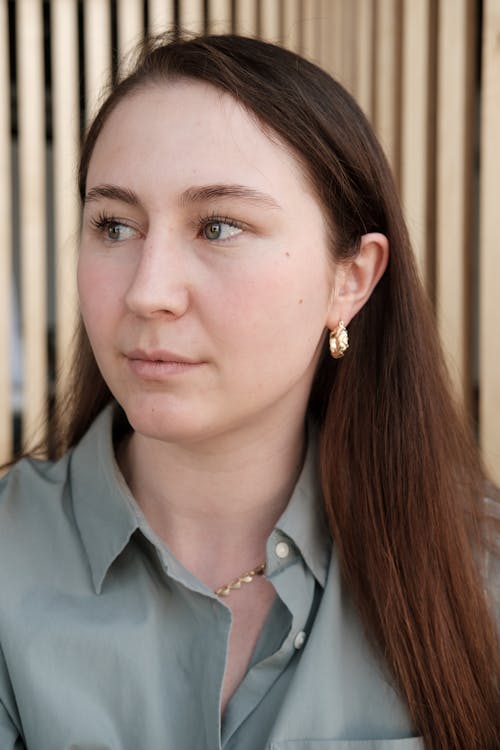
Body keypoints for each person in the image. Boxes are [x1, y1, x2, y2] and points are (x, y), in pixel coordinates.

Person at [0, 33, 498, 750]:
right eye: (114, 225)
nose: (148, 291)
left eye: (219, 226)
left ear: (349, 280)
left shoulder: (477, 578)